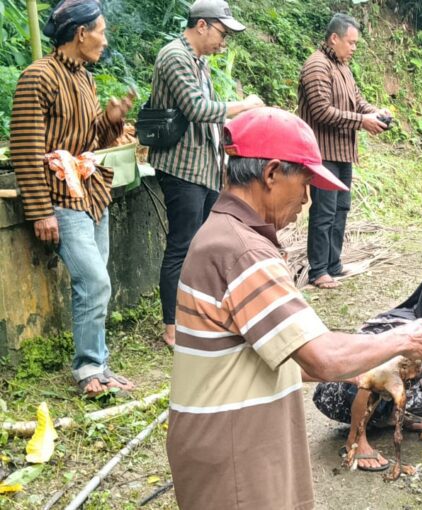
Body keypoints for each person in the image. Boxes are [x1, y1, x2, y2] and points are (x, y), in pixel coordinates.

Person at [166, 107, 422, 510]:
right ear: (272, 173)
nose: (308, 199)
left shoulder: (224, 233)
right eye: (306, 183)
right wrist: (404, 338)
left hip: (230, 440)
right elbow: (322, 357)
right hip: (235, 450)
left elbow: (268, 353)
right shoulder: (243, 252)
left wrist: (358, 370)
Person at [10, 0, 134, 397]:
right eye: (101, 32)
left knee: (98, 284)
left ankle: (99, 365)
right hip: (60, 197)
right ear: (81, 34)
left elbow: (91, 140)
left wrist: (110, 121)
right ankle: (88, 368)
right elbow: (25, 149)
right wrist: (40, 211)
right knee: (93, 281)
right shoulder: (37, 77)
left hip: (91, 193)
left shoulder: (85, 79)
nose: (105, 40)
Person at [148, 0, 264, 347]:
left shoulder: (199, 62)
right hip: (182, 168)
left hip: (205, 169)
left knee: (205, 247)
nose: (223, 41)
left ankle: (200, 316)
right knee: (182, 246)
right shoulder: (175, 57)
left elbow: (211, 115)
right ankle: (172, 326)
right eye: (222, 33)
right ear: (202, 25)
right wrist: (243, 105)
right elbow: (197, 109)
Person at [313, 272, 422, 471]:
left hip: (371, 385)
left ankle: (388, 417)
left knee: (399, 374)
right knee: (377, 375)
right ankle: (355, 441)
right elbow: (410, 399)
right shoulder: (407, 334)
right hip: (339, 394)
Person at [298, 13, 390, 290]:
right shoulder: (317, 65)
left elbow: (358, 102)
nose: (354, 48)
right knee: (324, 212)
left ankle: (333, 263)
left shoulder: (343, 67)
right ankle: (318, 270)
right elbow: (321, 111)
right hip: (322, 153)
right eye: (351, 43)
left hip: (342, 153)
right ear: (334, 38)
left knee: (340, 209)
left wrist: (376, 112)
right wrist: (362, 121)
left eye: (356, 44)